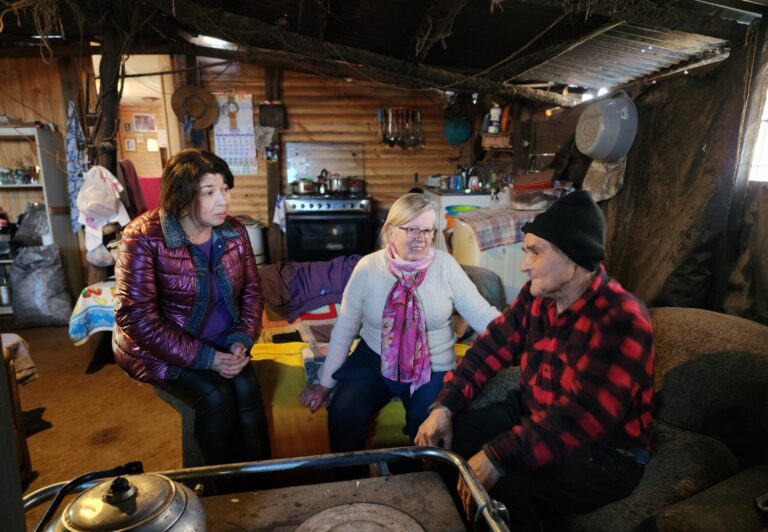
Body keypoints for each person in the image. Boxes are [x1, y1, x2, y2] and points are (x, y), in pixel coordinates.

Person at [415, 190, 655, 532]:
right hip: (533, 413)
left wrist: (499, 455)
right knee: (439, 441)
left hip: (605, 452)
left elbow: (581, 418)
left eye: (535, 252)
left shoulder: (621, 319)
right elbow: (489, 348)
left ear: (573, 257)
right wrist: (444, 406)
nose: (524, 265)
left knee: (507, 483)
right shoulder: (536, 297)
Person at [300, 192, 501, 452]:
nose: (422, 239)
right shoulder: (368, 268)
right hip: (375, 357)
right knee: (344, 411)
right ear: (391, 230)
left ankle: (420, 486)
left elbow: (483, 316)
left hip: (432, 362)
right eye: (412, 230)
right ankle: (348, 486)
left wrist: (525, 338)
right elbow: (345, 328)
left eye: (428, 230)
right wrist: (324, 384)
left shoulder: (445, 267)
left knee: (426, 426)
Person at [113, 148, 270, 468]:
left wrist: (242, 338)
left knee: (248, 386)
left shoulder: (234, 231)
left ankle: (258, 478)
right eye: (209, 192)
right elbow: (138, 318)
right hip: (160, 350)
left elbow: (252, 292)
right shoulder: (143, 237)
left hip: (224, 342)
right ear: (182, 197)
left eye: (225, 189)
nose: (223, 201)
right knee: (215, 397)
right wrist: (208, 358)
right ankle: (219, 490)